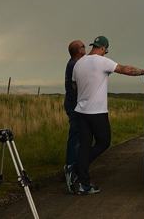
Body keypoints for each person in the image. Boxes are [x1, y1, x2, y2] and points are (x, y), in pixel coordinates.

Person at [72, 36, 144, 195]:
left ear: (94, 46)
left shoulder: (79, 63)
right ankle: (78, 168)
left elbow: (74, 86)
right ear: (103, 48)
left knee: (85, 146)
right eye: (105, 51)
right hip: (96, 112)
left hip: (81, 111)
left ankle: (83, 183)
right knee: (104, 142)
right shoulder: (102, 61)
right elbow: (126, 69)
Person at [63, 39, 86, 194]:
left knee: (79, 135)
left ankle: (74, 166)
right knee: (76, 136)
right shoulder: (74, 65)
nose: (85, 48)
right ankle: (71, 168)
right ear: (78, 51)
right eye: (83, 46)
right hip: (74, 106)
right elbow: (76, 87)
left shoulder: (73, 63)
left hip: (73, 105)